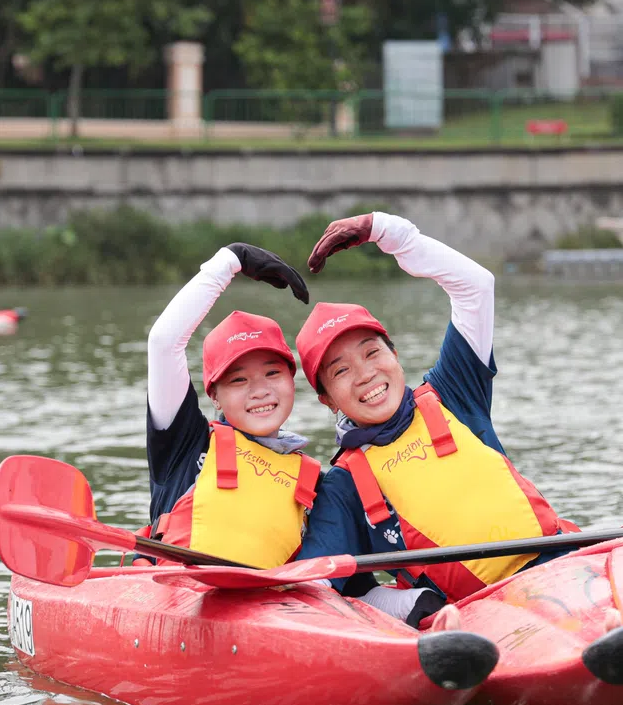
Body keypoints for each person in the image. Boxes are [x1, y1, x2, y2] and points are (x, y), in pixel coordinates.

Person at [294, 212, 576, 623]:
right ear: (326, 400)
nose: (366, 374)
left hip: (565, 566)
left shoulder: (453, 391)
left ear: (395, 356)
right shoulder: (342, 485)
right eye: (340, 371)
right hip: (480, 619)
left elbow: (475, 286)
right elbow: (314, 585)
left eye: (373, 353)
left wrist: (387, 231)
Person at [144, 242, 318, 569]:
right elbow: (163, 342)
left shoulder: (314, 481)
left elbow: (343, 584)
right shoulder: (184, 441)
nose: (260, 390)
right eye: (239, 380)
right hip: (178, 599)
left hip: (270, 612)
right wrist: (231, 260)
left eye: (272, 373)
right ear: (214, 395)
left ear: (291, 380)